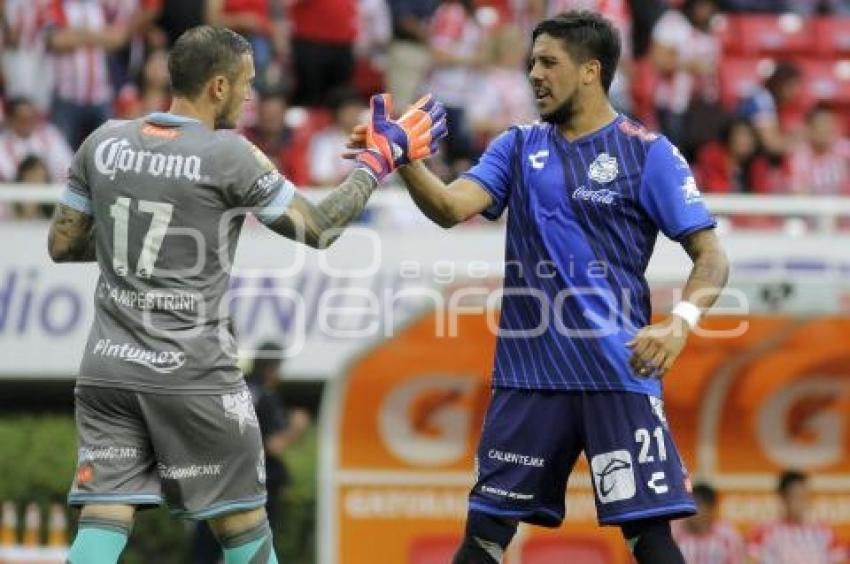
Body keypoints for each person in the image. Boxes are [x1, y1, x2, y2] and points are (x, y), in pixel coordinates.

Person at [46, 24, 445, 564]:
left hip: (107, 368)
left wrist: (138, 246)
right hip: (192, 373)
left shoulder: (104, 140)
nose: (250, 94)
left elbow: (63, 243)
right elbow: (320, 228)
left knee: (103, 519)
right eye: (246, 83)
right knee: (244, 531)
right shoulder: (228, 155)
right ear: (217, 86)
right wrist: (377, 163)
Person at [348, 10, 730, 564]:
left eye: (549, 62)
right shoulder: (518, 146)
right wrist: (406, 158)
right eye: (531, 63)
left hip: (617, 374)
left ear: (591, 71)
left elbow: (712, 257)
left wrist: (680, 324)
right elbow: (452, 207)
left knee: (651, 541)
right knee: (483, 537)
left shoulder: (649, 153)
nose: (534, 74)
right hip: (532, 376)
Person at [192, 343, 311, 563]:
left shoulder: (233, 387)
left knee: (207, 550)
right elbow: (274, 445)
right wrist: (297, 428)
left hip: (217, 483)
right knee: (254, 551)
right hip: (254, 488)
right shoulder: (266, 396)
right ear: (273, 368)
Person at [749, 471, 846, 563]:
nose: (801, 502)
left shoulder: (824, 532)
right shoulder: (765, 531)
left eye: (805, 496)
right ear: (783, 497)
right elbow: (750, 560)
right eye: (796, 496)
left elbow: (841, 559)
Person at [0, 97, 73, 182]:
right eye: (22, 119)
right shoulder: (2, 143)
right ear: (11, 119)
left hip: (50, 189)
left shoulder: (50, 135)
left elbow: (66, 166)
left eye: (31, 118)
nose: (27, 123)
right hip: (15, 191)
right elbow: (5, 174)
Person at [672, 483, 746, 564]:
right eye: (687, 504)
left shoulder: (728, 537)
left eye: (695, 504)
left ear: (710, 508)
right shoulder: (674, 534)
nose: (689, 510)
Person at [787, 103, 850, 196]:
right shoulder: (800, 156)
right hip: (813, 207)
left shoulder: (845, 149)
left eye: (830, 124)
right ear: (809, 129)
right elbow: (798, 192)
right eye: (821, 125)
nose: (826, 129)